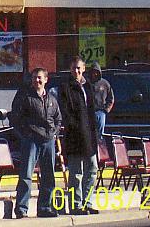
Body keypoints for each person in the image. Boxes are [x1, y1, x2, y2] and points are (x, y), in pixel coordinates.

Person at [10, 67, 62, 219]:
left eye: (39, 78)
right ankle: (21, 209)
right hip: (31, 141)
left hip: (48, 142)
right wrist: (25, 135)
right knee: (26, 175)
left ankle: (45, 208)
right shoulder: (25, 97)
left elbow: (58, 119)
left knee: (48, 176)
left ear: (46, 80)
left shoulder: (52, 99)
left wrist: (54, 133)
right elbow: (15, 118)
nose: (36, 80)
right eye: (34, 78)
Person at [58, 56, 99, 215]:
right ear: (70, 69)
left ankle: (87, 202)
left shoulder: (88, 86)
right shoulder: (65, 87)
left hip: (89, 136)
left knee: (92, 169)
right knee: (76, 173)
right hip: (75, 136)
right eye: (74, 68)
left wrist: (94, 133)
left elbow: (92, 110)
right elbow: (66, 113)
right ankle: (76, 205)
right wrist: (74, 128)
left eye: (79, 68)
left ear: (83, 69)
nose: (76, 71)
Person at [88, 62, 114, 137]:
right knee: (90, 134)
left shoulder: (105, 83)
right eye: (93, 72)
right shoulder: (86, 83)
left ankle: (99, 147)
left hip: (101, 112)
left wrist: (106, 109)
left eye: (96, 72)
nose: (94, 74)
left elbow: (111, 98)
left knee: (100, 135)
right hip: (89, 112)